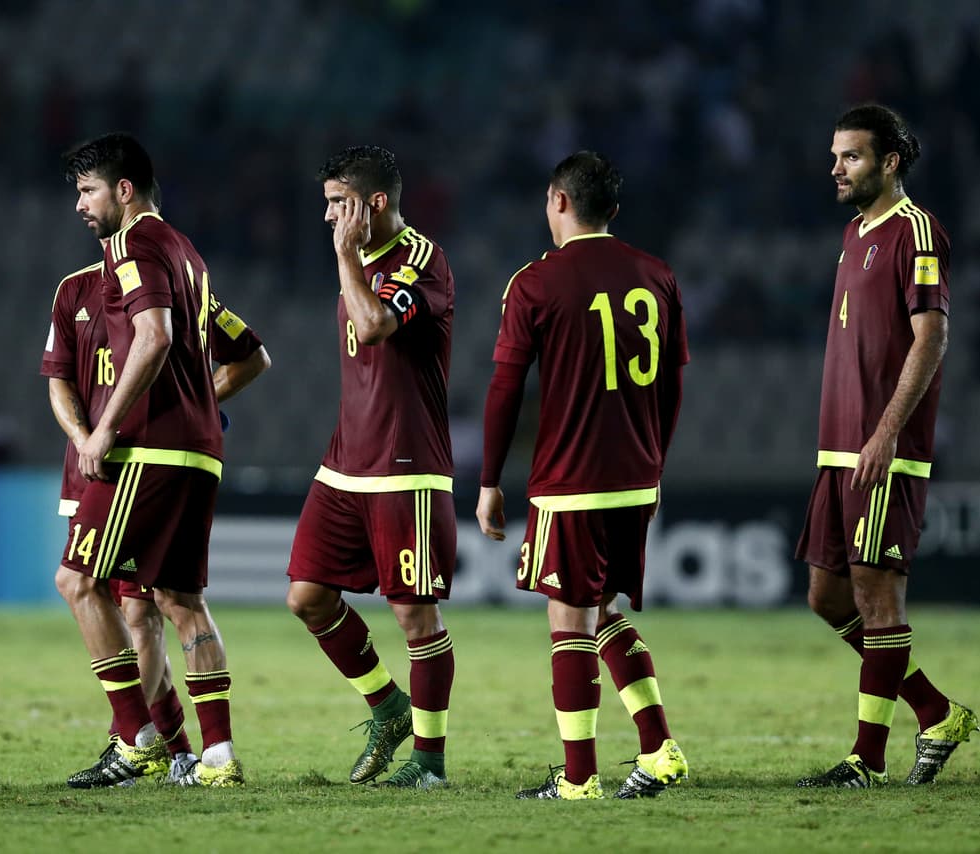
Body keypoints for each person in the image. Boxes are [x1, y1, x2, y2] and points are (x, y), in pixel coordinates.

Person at [477, 151, 690, 801]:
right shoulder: (657, 275)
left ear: (558, 201)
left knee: (568, 621)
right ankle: (658, 748)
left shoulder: (536, 283)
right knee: (602, 611)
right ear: (614, 212)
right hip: (635, 474)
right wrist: (655, 462)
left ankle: (578, 779)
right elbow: (674, 383)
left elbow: (505, 389)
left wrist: (489, 480)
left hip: (573, 477)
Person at [41, 225, 269, 787]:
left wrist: (192, 401)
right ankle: (192, 753)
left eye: (88, 192)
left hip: (140, 457)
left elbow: (250, 356)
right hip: (96, 466)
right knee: (155, 603)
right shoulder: (75, 291)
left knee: (130, 605)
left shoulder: (173, 286)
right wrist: (82, 437)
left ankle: (140, 743)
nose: (79, 207)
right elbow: (59, 381)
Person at [795, 104, 978, 788]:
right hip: (837, 448)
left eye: (851, 157)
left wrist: (886, 432)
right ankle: (935, 711)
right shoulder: (854, 233)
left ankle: (866, 759)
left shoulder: (917, 232)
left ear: (889, 162)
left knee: (878, 601)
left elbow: (931, 337)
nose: (835, 168)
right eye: (835, 155)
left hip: (883, 450)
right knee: (826, 597)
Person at [285, 145, 456, 790]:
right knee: (306, 596)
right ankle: (388, 707)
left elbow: (375, 322)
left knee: (415, 616)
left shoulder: (421, 259)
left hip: (405, 463)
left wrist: (344, 258)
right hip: (346, 461)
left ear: (373, 203)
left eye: (337, 203)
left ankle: (430, 762)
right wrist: (349, 258)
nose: (327, 216)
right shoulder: (358, 259)